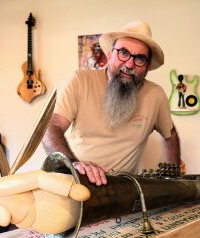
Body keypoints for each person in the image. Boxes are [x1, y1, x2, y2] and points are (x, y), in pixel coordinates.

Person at [42, 21, 181, 186]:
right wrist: (73, 164)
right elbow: (51, 127)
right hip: (74, 182)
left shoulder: (156, 95)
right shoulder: (80, 80)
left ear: (147, 67)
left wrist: (175, 178)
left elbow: (170, 135)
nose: (129, 64)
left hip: (122, 192)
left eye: (140, 58)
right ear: (110, 55)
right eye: (123, 53)